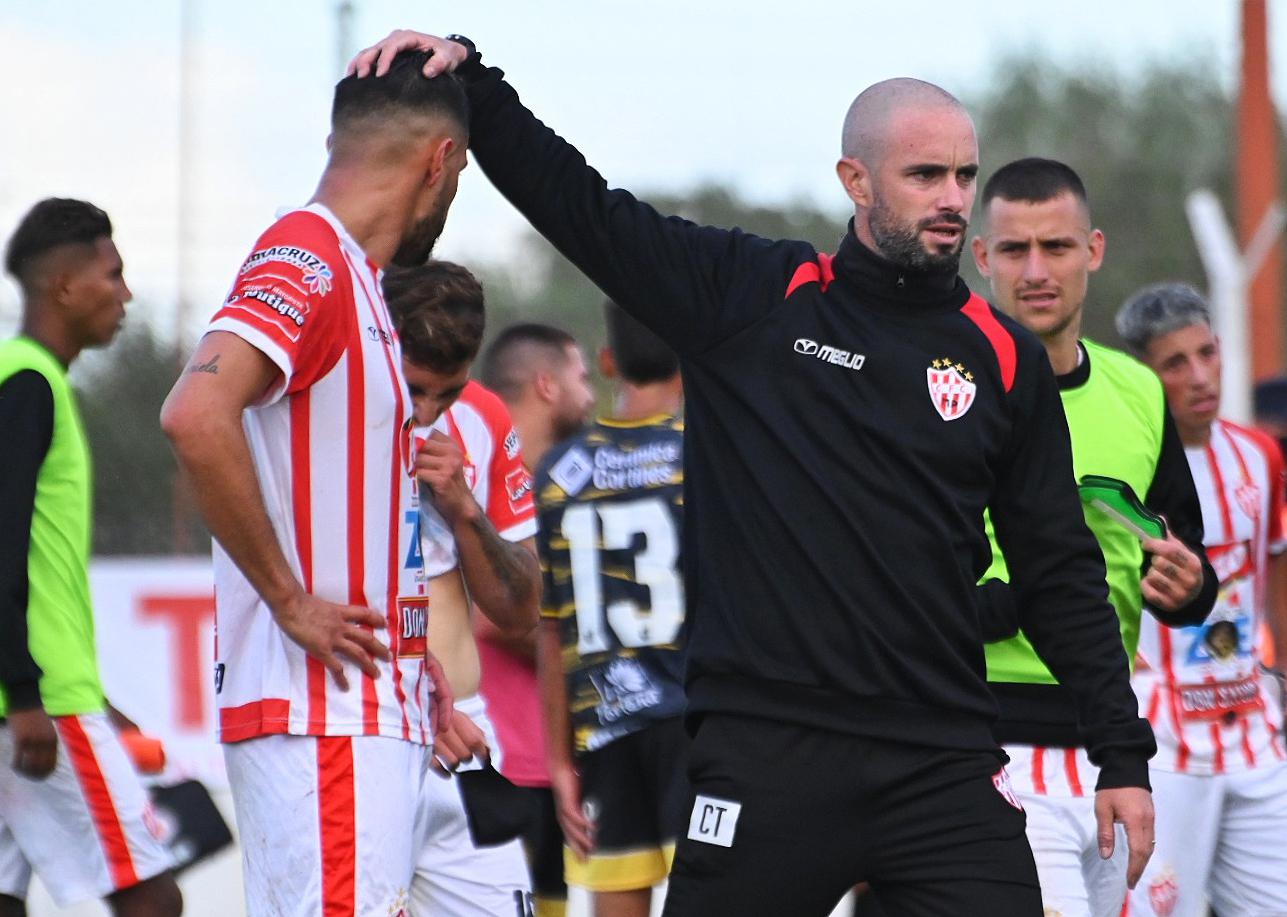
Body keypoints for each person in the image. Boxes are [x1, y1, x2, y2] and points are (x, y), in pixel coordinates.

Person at [351, 34, 1156, 916]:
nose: (953, 200)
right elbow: (586, 211)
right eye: (925, 176)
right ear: (855, 181)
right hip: (767, 753)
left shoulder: (1001, 357)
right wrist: (470, 80)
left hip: (942, 756)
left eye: (965, 176)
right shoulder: (756, 297)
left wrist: (1120, 754)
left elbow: (1058, 568)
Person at [159, 52, 460, 916]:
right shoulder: (309, 253)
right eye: (461, 174)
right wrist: (291, 601)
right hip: (324, 718)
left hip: (360, 712)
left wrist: (412, 664)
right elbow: (194, 413)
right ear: (439, 161)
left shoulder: (356, 276)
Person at [969, 159, 1215, 917]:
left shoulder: (1138, 390)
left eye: (1057, 247)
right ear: (980, 257)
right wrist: (1017, 602)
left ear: (1095, 250)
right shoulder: (939, 389)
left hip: (1112, 747)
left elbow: (1184, 553)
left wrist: (1188, 587)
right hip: (986, 741)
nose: (1036, 270)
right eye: (1014, 250)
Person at [0, 199, 182, 916]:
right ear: (65, 286)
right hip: (37, 697)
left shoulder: (25, 377)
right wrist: (28, 692)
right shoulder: (29, 383)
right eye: (114, 274)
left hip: (32, 694)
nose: (126, 293)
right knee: (152, 897)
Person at [1116, 283, 1287, 917]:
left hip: (1254, 733)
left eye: (1207, 353)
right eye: (1175, 363)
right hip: (1163, 742)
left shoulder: (1260, 456)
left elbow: (1272, 571)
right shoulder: (1121, 467)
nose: (1200, 376)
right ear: (1142, 374)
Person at [382, 260, 543, 916]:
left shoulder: (481, 416)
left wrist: (464, 509)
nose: (425, 413)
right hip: (368, 735)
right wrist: (418, 697)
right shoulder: (327, 413)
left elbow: (520, 608)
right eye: (414, 389)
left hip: (467, 746)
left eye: (444, 393)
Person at [534, 300, 686, 917]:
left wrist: (558, 761)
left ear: (606, 360)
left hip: (604, 734)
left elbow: (550, 631)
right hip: (698, 728)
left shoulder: (559, 473)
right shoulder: (707, 455)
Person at [476, 322, 596, 917]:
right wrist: (589, 649)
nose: (591, 393)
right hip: (499, 762)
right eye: (581, 377)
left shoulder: (572, 485)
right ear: (546, 386)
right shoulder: (475, 477)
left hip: (558, 766)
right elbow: (494, 615)